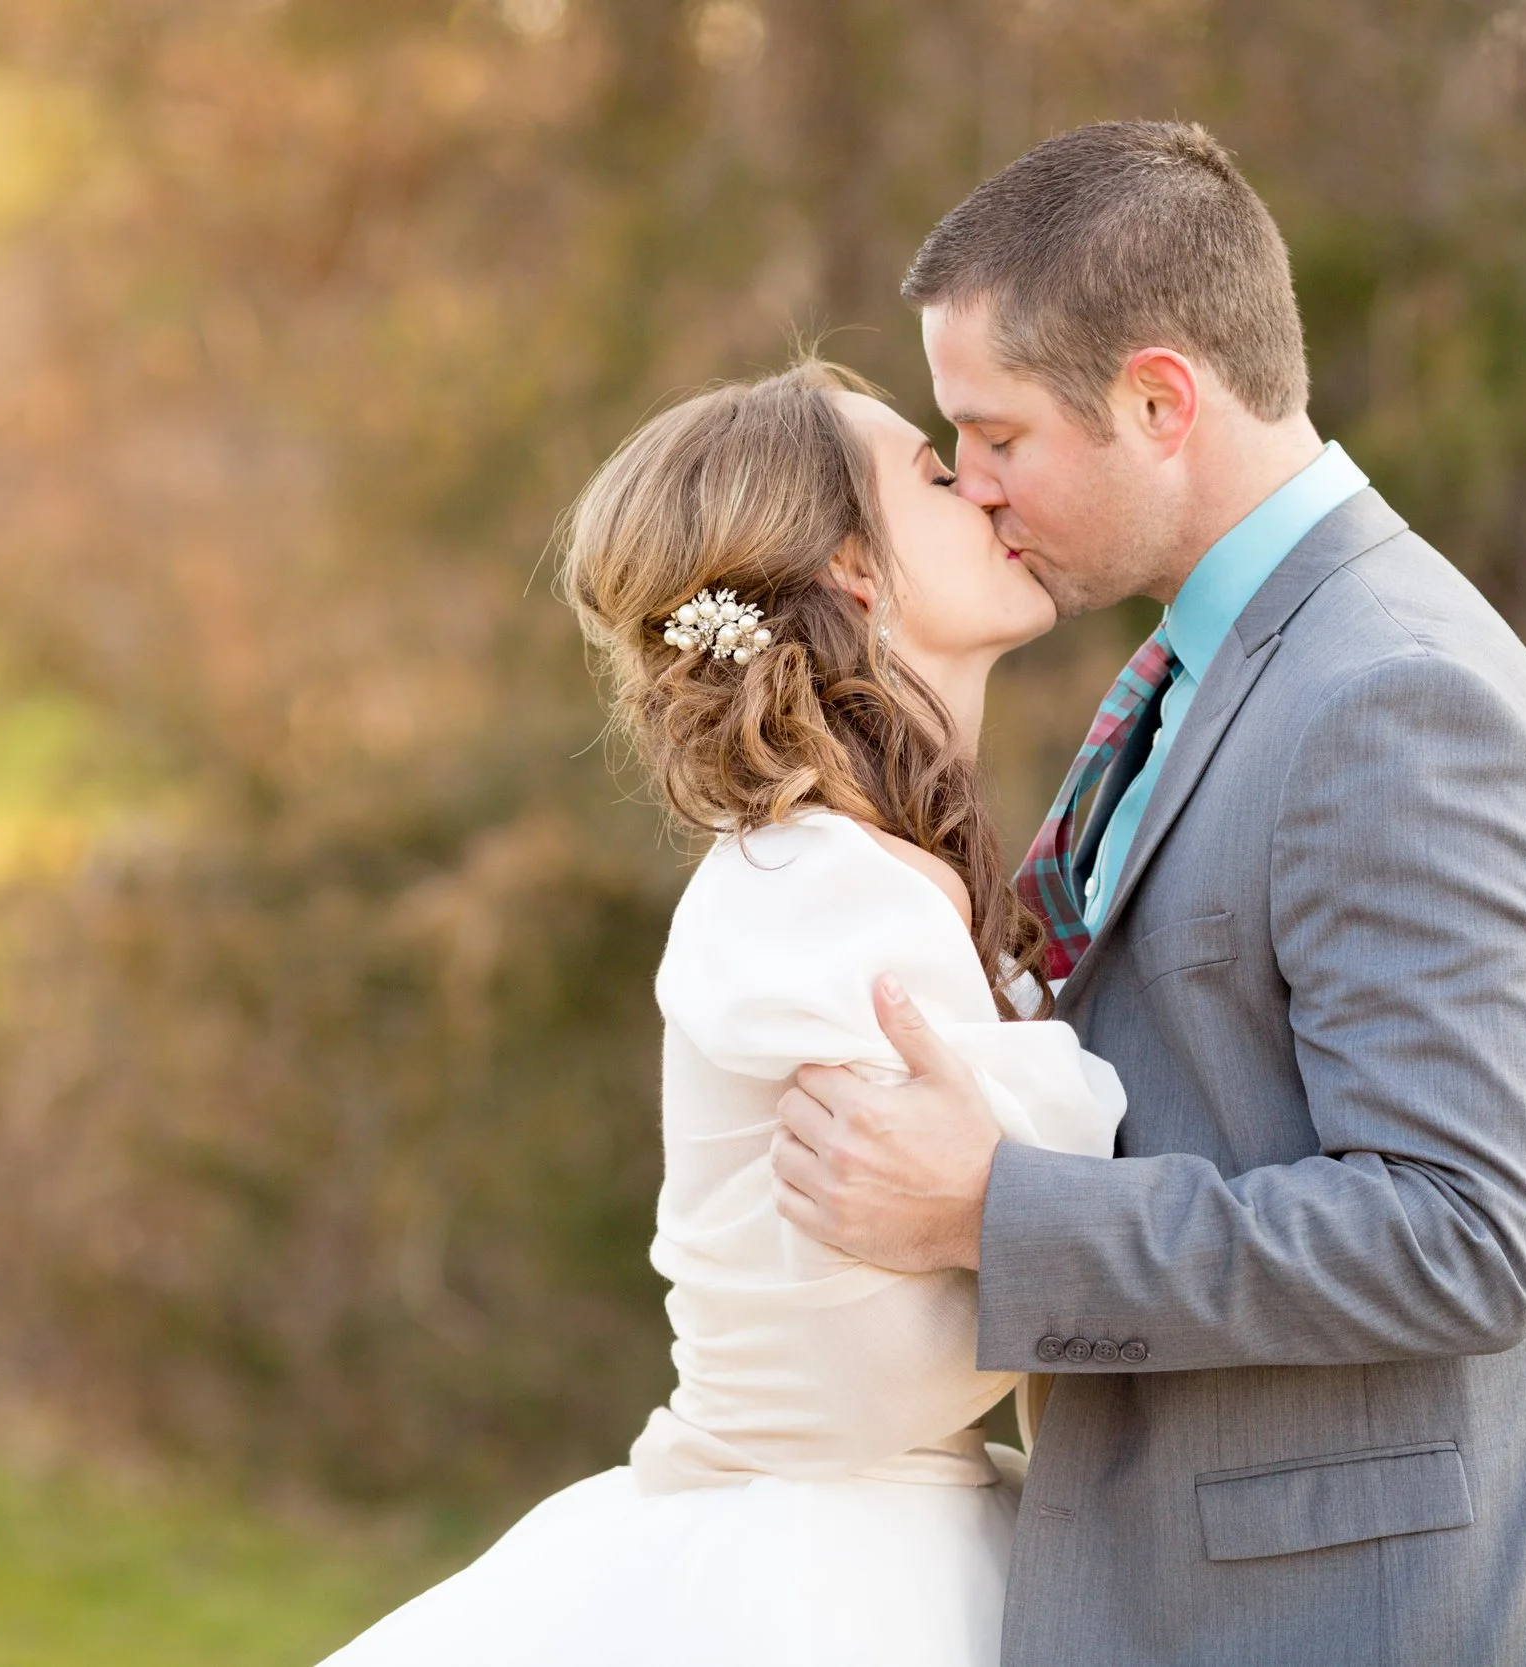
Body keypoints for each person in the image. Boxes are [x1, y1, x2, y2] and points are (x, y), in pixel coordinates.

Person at [772, 121, 1526, 1666]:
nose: (973, 483)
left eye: (999, 434)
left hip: (1397, 1611)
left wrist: (996, 1209)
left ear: (1159, 399)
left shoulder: (1394, 698)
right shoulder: (1223, 665)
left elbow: (1461, 1230)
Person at [320, 360, 1125, 1667]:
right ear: (857, 573)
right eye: (933, 471)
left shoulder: (851, 872)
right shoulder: (819, 895)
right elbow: (872, 1365)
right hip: (826, 1579)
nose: (982, 484)